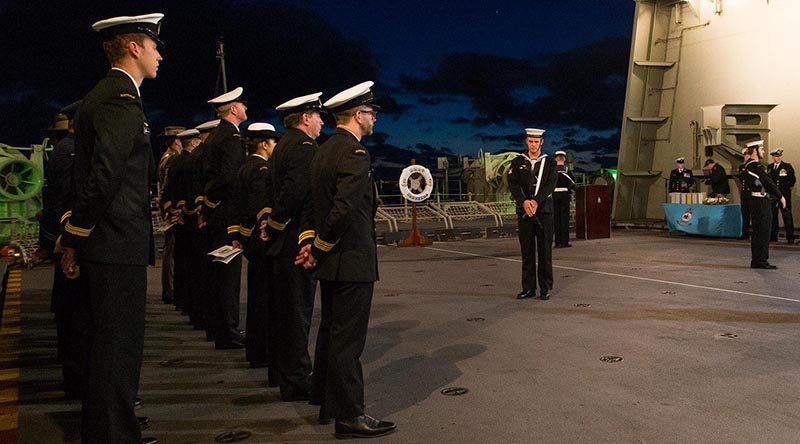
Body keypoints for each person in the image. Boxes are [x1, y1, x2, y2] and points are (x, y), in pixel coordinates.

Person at [55, 13, 164, 444]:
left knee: (110, 345)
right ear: (134, 47)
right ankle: (113, 434)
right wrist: (76, 234)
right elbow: (105, 176)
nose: (160, 55)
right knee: (118, 347)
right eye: (155, 46)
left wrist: (76, 235)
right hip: (116, 241)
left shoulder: (107, 96)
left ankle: (111, 428)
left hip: (110, 240)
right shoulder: (120, 97)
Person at [297, 81, 396, 438]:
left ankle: (326, 402)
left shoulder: (322, 150)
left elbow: (311, 206)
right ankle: (350, 415)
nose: (374, 119)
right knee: (348, 342)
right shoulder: (355, 154)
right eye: (371, 113)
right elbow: (343, 211)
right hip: (351, 259)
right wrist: (320, 246)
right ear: (357, 115)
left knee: (331, 333)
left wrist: (311, 245)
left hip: (331, 261)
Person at [260, 92, 324, 401]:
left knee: (284, 313)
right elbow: (295, 192)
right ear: (305, 118)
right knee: (297, 314)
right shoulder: (303, 147)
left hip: (281, 241)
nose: (322, 121)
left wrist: (271, 225)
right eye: (318, 115)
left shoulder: (283, 145)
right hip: (295, 240)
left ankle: (281, 373)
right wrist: (276, 224)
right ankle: (297, 379)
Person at [203, 87, 248, 349]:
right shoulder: (230, 137)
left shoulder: (216, 136)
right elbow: (231, 178)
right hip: (228, 214)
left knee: (217, 275)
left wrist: (209, 201)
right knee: (228, 278)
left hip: (217, 212)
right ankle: (228, 332)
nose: (244, 107)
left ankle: (217, 327)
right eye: (241, 104)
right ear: (233, 109)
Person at [238, 123, 278, 371]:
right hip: (260, 239)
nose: (275, 146)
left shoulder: (244, 167)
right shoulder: (261, 169)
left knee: (256, 297)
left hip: (249, 239)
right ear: (264, 144)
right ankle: (261, 351)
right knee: (265, 299)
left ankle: (254, 348)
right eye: (273, 142)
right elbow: (261, 206)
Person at [508, 128, 558, 300]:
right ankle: (528, 288)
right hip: (525, 212)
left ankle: (545, 288)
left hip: (544, 212)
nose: (533, 144)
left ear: (541, 142)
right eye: (531, 141)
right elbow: (513, 184)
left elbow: (550, 185)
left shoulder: (550, 163)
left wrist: (536, 201)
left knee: (545, 251)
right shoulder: (517, 162)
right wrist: (525, 202)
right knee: (527, 251)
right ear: (526, 141)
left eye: (536, 141)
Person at [742, 140, 786, 269]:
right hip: (760, 202)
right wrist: (780, 196)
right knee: (763, 231)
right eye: (761, 149)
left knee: (758, 232)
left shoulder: (748, 166)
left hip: (755, 201)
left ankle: (757, 260)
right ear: (754, 150)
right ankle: (761, 260)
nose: (763, 151)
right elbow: (768, 182)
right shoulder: (755, 166)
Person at [157, 126, 185, 305]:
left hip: (168, 208)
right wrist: (172, 208)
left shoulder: (165, 157)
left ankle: (170, 289)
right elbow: (169, 187)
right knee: (172, 251)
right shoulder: (173, 159)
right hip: (173, 209)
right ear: (176, 141)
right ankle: (170, 290)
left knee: (170, 249)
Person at [767, 149, 795, 243]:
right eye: (775, 156)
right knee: (773, 216)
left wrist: (786, 190)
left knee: (787, 216)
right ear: (773, 157)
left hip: (784, 195)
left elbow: (792, 180)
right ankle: (773, 236)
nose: (777, 158)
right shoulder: (770, 167)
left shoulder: (786, 167)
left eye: (779, 156)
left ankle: (790, 236)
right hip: (773, 196)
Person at [552, 150, 575, 248]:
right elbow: (572, 183)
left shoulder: (552, 170)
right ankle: (564, 242)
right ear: (564, 159)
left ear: (555, 159)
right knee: (564, 219)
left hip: (554, 196)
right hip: (565, 196)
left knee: (556, 220)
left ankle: (557, 242)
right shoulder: (566, 170)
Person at [738, 148, 752, 239]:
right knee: (745, 214)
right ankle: (745, 233)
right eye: (745, 155)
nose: (746, 157)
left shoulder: (752, 166)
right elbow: (741, 178)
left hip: (751, 193)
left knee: (753, 214)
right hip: (744, 193)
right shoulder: (742, 167)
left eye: (747, 155)